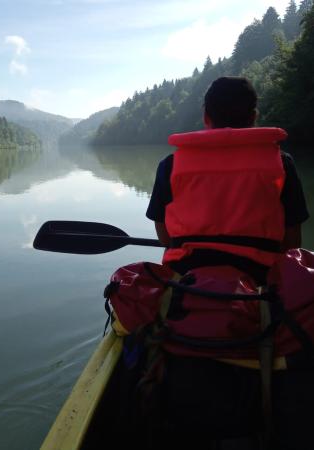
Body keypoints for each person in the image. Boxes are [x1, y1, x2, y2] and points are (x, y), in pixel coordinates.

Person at [145, 77, 311, 449]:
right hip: (262, 293)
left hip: (187, 288)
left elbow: (165, 236)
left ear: (205, 117)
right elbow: (292, 244)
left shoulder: (170, 165)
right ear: (254, 117)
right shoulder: (281, 163)